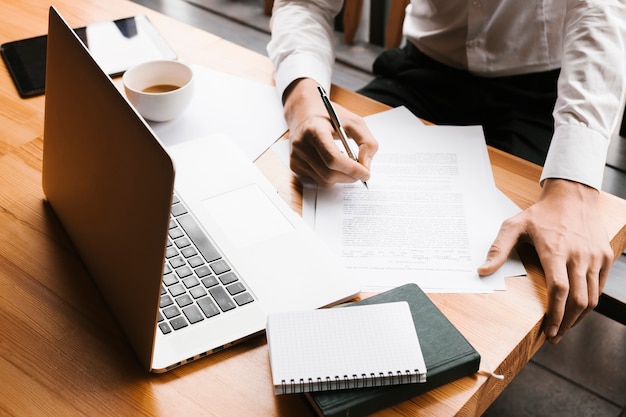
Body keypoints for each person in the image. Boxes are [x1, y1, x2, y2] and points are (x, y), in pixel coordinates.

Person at [267, 0, 626, 343]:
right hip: (421, 74)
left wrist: (574, 186)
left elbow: (599, 10)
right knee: (298, 206)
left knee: (507, 284)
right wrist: (303, 100)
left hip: (547, 93)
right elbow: (306, 3)